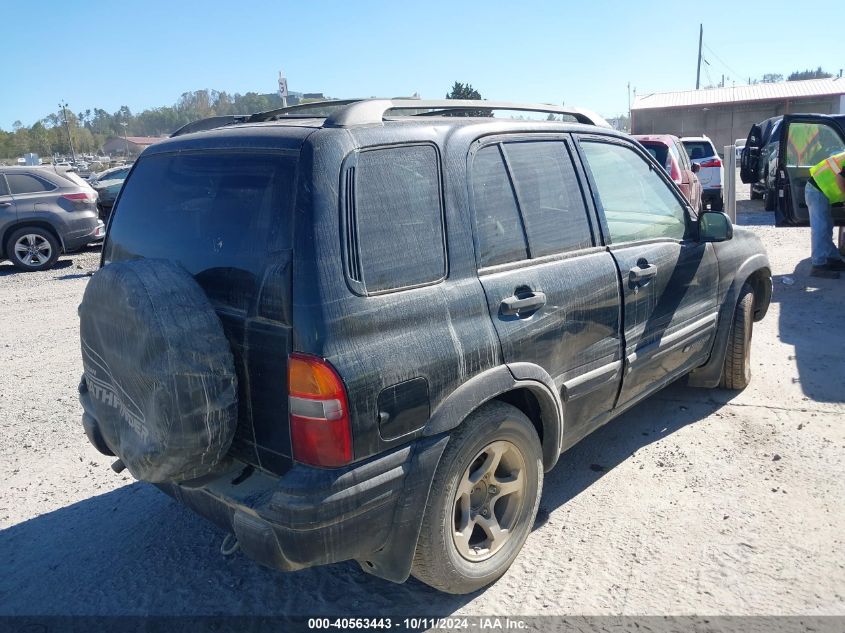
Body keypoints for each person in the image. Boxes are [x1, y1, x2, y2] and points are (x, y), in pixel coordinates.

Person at [806, 151, 845, 279]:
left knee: (827, 227)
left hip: (821, 190)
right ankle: (818, 266)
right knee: (820, 228)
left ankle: (832, 259)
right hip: (817, 189)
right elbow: (840, 178)